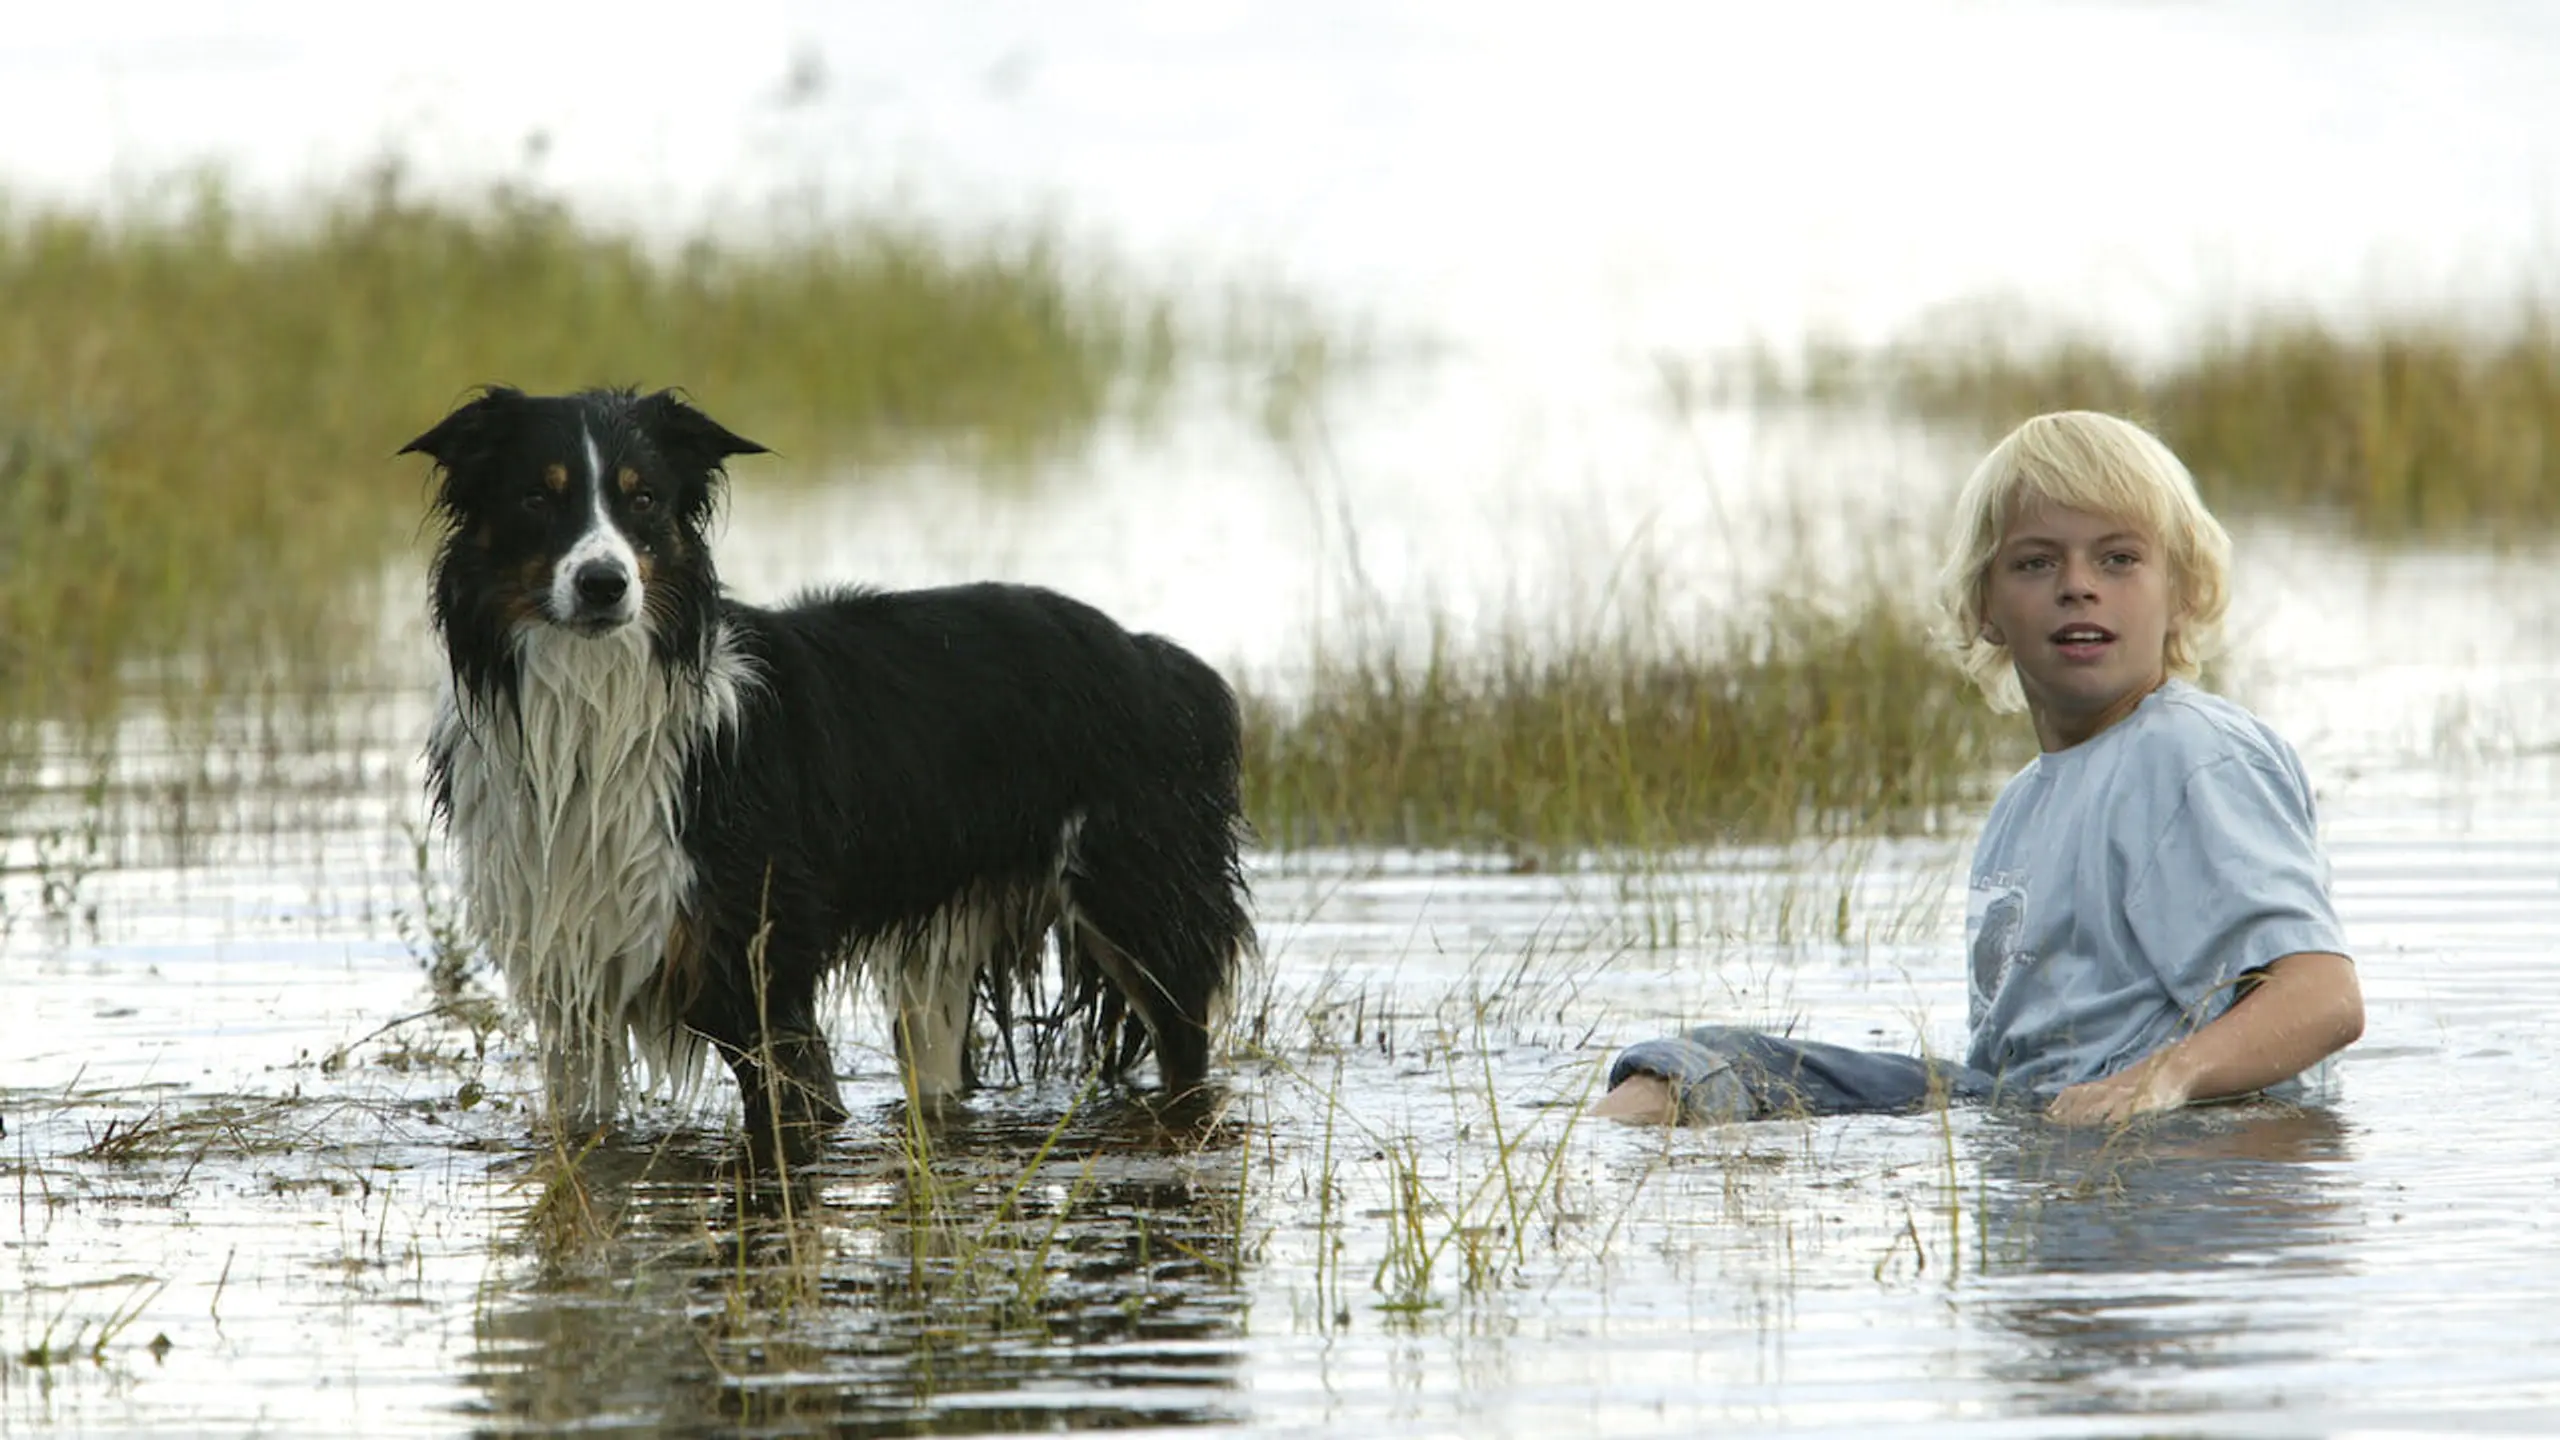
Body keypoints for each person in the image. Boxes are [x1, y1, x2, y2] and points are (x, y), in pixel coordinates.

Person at [1595, 411, 2364, 1128]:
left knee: (1713, 1070)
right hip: (2031, 1116)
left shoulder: (2190, 752)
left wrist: (2160, 1081)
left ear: (2183, 593)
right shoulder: (2022, 806)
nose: (2078, 584)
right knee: (1683, 1074)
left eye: (2119, 558)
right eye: (2036, 562)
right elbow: (2009, 1060)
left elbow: (2323, 998)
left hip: (2173, 1142)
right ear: (1985, 606)